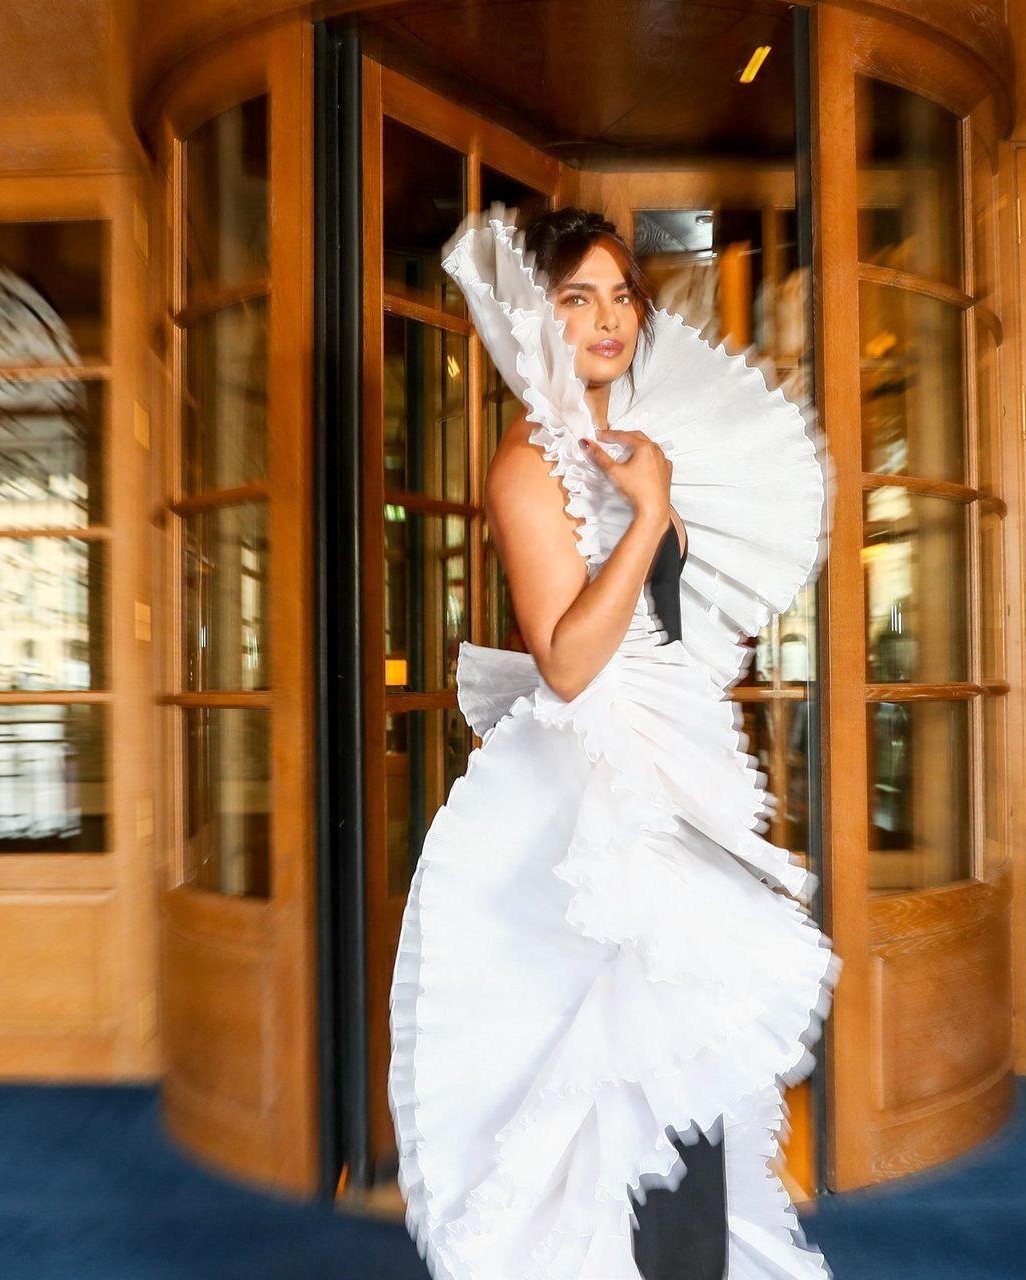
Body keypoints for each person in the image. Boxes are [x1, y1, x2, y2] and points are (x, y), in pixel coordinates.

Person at [387, 203, 840, 1279]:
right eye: (576, 298)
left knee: (682, 1066)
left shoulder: (630, 443)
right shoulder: (527, 466)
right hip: (595, 792)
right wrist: (647, 516)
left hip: (666, 762)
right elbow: (566, 661)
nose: (606, 320)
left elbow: (666, 625)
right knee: (632, 1065)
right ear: (533, 319)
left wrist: (657, 514)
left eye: (620, 296)